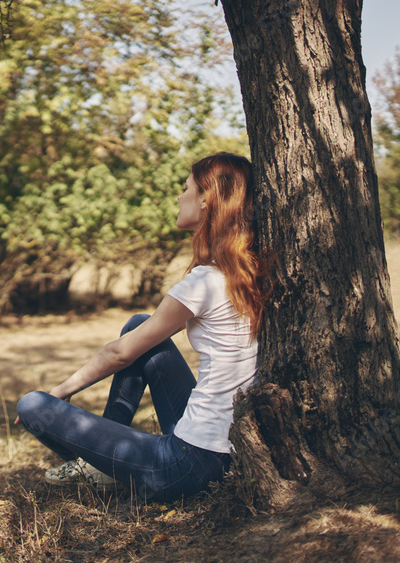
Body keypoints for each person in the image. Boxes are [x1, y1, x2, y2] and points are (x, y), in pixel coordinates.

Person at [14, 152, 266, 502]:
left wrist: (62, 390)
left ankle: (99, 467)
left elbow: (120, 354)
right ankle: (102, 468)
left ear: (206, 199)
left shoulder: (205, 281)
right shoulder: (251, 272)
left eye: (186, 188)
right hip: (230, 450)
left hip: (187, 466)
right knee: (139, 324)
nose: (179, 196)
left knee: (32, 405)